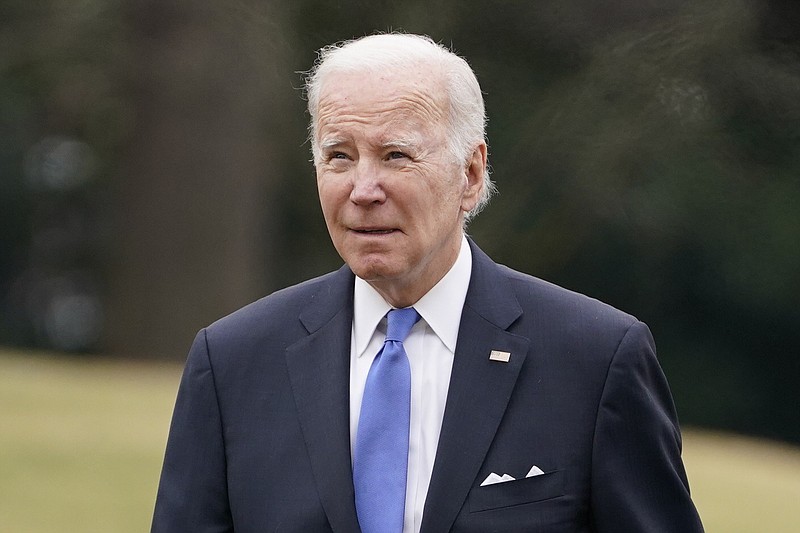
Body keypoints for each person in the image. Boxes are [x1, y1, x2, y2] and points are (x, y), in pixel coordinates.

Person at [151, 33, 704, 532]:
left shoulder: (595, 360)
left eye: (396, 155)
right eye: (339, 156)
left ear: (470, 173)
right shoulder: (232, 362)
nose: (364, 188)